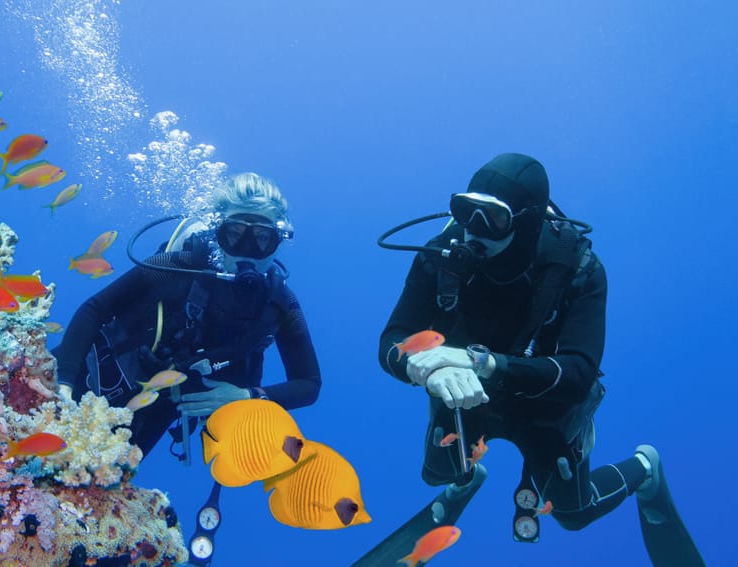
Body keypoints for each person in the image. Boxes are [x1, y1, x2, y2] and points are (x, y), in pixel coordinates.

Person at [376, 153, 702, 566]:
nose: (472, 230)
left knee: (573, 513)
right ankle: (465, 476)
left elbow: (580, 372)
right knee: (437, 472)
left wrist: (484, 363)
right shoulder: (443, 255)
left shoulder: (578, 268)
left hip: (545, 404)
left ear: (527, 220)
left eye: (491, 218)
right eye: (464, 211)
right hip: (465, 392)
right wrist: (418, 366)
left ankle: (645, 469)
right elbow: (393, 337)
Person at [52, 172, 321, 460]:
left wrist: (248, 396)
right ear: (217, 233)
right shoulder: (176, 266)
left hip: (158, 406)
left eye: (262, 238)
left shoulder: (279, 302)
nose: (247, 251)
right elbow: (96, 309)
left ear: (278, 241)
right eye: (233, 235)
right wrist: (64, 384)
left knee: (99, 482)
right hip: (91, 367)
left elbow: (308, 384)